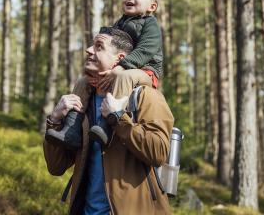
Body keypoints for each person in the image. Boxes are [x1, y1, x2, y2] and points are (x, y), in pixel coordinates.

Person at [43, 28, 174, 214]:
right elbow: (56, 167)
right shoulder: (82, 101)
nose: (88, 50)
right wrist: (55, 120)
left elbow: (158, 152)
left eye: (98, 47)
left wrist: (119, 118)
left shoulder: (146, 97)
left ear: (119, 58)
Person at [45, 0, 163, 148]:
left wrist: (122, 66)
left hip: (145, 70)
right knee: (84, 81)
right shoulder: (119, 24)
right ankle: (72, 129)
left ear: (152, 6)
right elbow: (111, 51)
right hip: (122, 67)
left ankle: (106, 127)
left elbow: (147, 49)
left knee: (125, 76)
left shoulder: (150, 24)